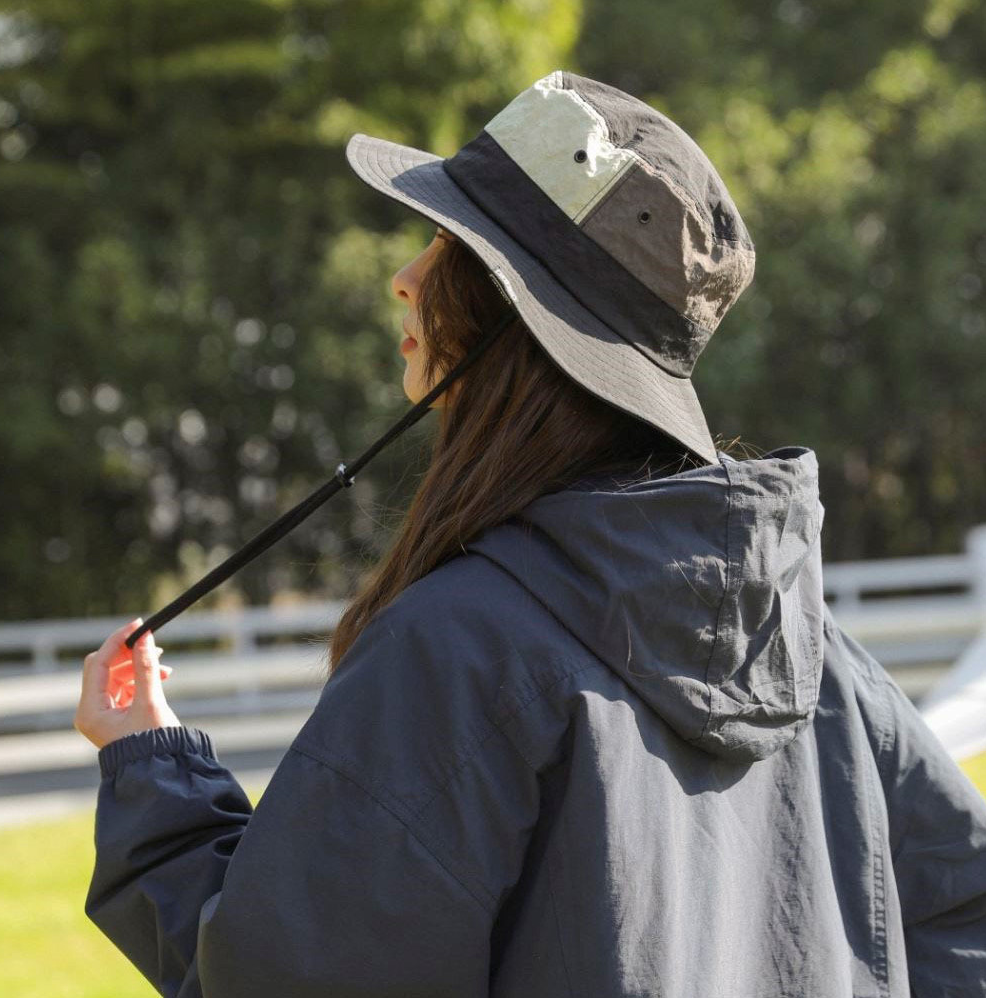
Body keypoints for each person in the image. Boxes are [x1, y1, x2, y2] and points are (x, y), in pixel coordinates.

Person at [75, 71, 986, 998]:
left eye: (445, 243)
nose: (405, 277)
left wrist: (154, 780)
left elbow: (288, 978)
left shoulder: (457, 650)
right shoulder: (810, 651)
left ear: (512, 317)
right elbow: (963, 917)